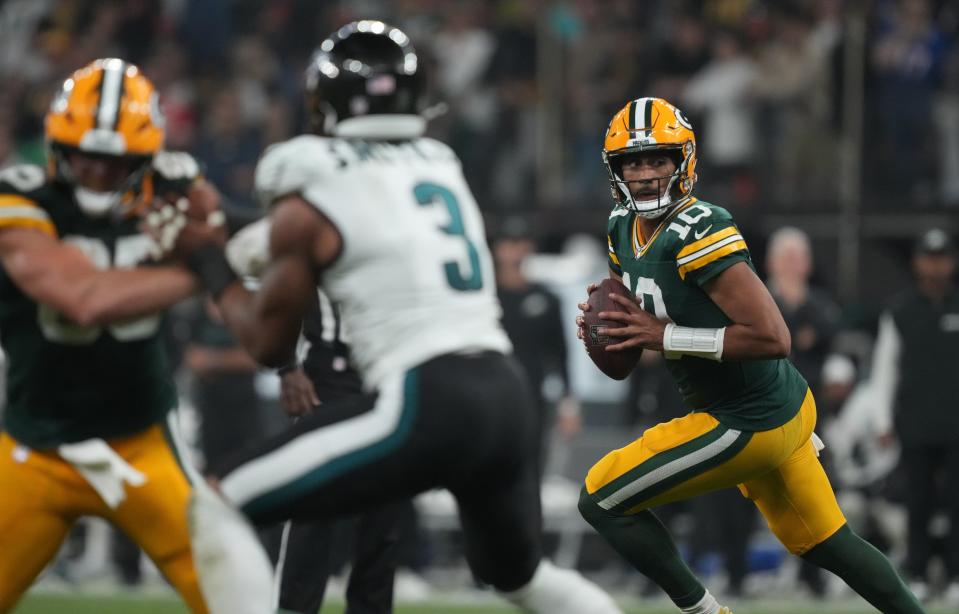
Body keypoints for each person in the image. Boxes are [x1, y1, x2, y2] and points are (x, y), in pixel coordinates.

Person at [159, 21, 623, 614]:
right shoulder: (438, 161)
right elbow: (339, 225)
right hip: (504, 395)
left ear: (323, 103)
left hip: (423, 397)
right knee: (523, 579)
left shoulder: (309, 173)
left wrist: (205, 259)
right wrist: (232, 235)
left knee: (216, 504)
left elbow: (266, 338)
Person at [574, 96, 924, 614]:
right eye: (633, 162)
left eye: (658, 160)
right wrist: (613, 329)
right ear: (616, 169)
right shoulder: (621, 228)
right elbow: (646, 319)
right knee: (830, 544)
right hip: (774, 406)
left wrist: (661, 335)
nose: (645, 174)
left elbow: (772, 336)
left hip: (744, 417)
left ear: (683, 162)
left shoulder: (700, 228)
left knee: (601, 498)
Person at [0, 59, 207, 612]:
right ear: (55, 146)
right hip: (35, 446)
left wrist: (226, 243)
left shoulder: (179, 189)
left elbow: (237, 252)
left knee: (235, 595)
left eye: (113, 162)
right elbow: (82, 299)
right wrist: (197, 268)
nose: (94, 172)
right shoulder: (19, 199)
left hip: (140, 441)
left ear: (144, 158)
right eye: (83, 156)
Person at [229, 217, 411, 614]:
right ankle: (293, 607)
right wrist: (287, 367)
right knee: (315, 505)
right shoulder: (323, 213)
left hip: (394, 369)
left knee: (384, 519)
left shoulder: (403, 219)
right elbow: (276, 289)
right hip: (332, 375)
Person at [870, 228, 959, 605]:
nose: (936, 265)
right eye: (929, 257)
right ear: (917, 262)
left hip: (956, 424)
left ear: (951, 262)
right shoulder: (900, 309)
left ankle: (955, 576)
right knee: (917, 502)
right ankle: (919, 573)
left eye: (942, 257)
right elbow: (884, 368)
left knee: (957, 502)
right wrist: (882, 421)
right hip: (916, 422)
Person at [492, 215, 581, 473]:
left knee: (530, 468)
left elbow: (560, 354)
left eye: (521, 242)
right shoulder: (484, 299)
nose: (515, 250)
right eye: (509, 242)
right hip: (490, 397)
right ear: (497, 248)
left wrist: (568, 405)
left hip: (531, 396)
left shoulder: (545, 300)